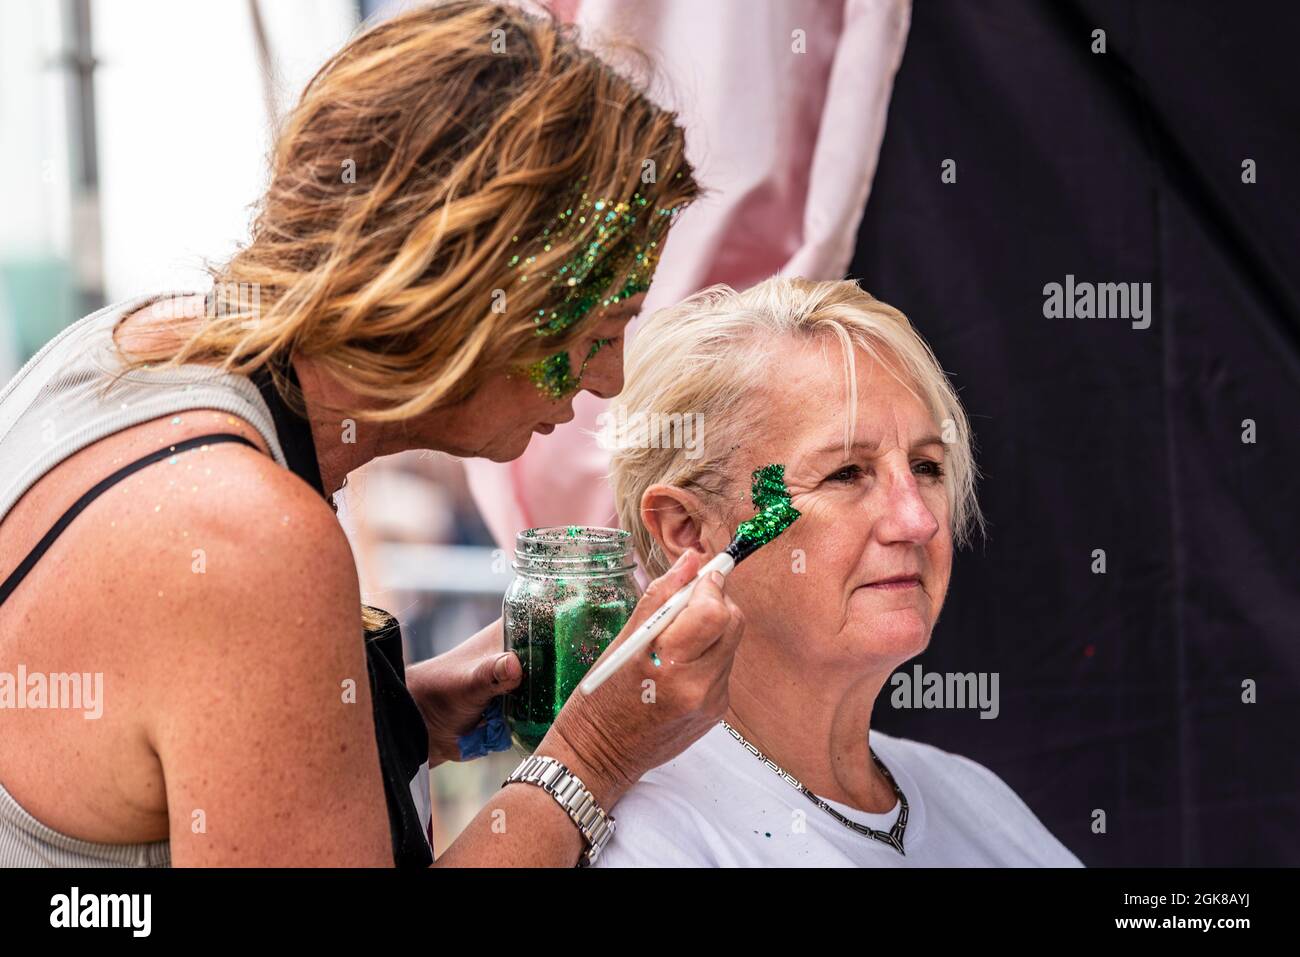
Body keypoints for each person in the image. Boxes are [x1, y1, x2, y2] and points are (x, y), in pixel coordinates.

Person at [0, 0, 744, 867]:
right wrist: (595, 753)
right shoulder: (248, 542)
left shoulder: (133, 347)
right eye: (601, 330)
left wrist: (397, 715)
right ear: (466, 300)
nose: (609, 378)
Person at [596, 277, 1082, 866]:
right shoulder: (641, 837)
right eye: (846, 473)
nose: (918, 521)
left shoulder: (973, 796)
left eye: (927, 467)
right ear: (687, 530)